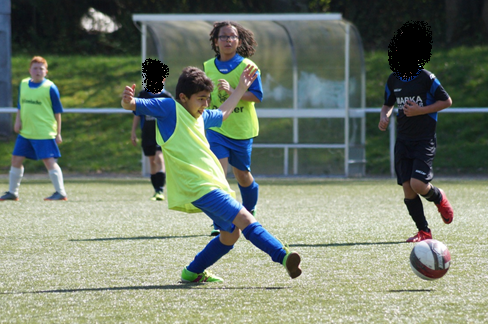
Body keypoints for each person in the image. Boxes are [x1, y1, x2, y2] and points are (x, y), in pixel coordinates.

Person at [121, 65, 301, 282]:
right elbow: (132, 105)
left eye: (208, 99)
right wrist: (127, 100)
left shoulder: (201, 117)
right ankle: (283, 256)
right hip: (198, 185)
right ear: (183, 97)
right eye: (201, 99)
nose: (206, 104)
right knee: (245, 218)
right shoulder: (169, 108)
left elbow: (223, 113)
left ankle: (192, 272)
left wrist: (241, 87)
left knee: (230, 235)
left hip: (212, 184)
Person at [378, 21, 453, 242]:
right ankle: (424, 232)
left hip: (423, 140)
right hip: (403, 141)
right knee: (408, 189)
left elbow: (446, 101)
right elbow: (387, 104)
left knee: (419, 185)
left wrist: (421, 110)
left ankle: (439, 198)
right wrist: (385, 115)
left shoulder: (426, 78)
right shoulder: (393, 79)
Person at [204, 21, 263, 236]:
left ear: (239, 41)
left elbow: (257, 96)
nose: (228, 40)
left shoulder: (248, 66)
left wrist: (233, 92)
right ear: (216, 41)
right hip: (217, 129)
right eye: (224, 36)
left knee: (243, 175)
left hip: (241, 130)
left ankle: (249, 210)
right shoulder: (208, 66)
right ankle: (220, 220)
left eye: (232, 36)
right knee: (218, 174)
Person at [0, 56, 67, 201]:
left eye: (41, 68)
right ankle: (13, 192)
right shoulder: (24, 84)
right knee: (16, 159)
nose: (38, 71)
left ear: (46, 71)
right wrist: (17, 121)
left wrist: (58, 133)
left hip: (43, 131)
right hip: (26, 132)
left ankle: (60, 192)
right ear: (29, 70)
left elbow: (58, 111)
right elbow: (20, 105)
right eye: (35, 68)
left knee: (49, 161)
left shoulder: (50, 87)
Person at [131, 88, 173, 201]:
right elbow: (137, 114)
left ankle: (160, 190)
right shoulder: (143, 94)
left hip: (162, 134)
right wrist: (133, 131)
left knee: (159, 158)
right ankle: (156, 190)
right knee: (152, 162)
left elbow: (173, 115)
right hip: (147, 134)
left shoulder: (166, 96)